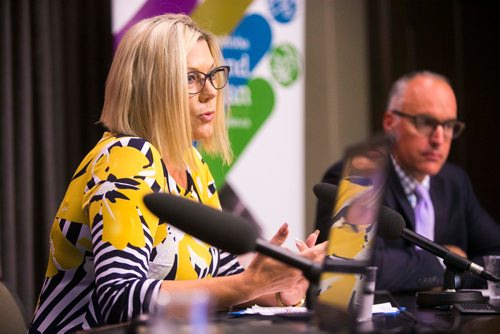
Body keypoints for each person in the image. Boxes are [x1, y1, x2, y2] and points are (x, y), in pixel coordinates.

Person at [29, 13, 324, 333]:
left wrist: (277, 289)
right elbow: (119, 299)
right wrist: (247, 284)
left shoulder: (192, 164)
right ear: (149, 87)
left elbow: (221, 278)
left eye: (213, 75)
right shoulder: (125, 158)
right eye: (191, 78)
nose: (211, 92)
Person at [315, 71, 500, 293]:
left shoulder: (454, 182)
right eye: (426, 122)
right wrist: (444, 262)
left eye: (449, 125)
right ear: (390, 122)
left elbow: (495, 256)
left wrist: (456, 279)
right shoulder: (357, 178)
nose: (439, 139)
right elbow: (355, 266)